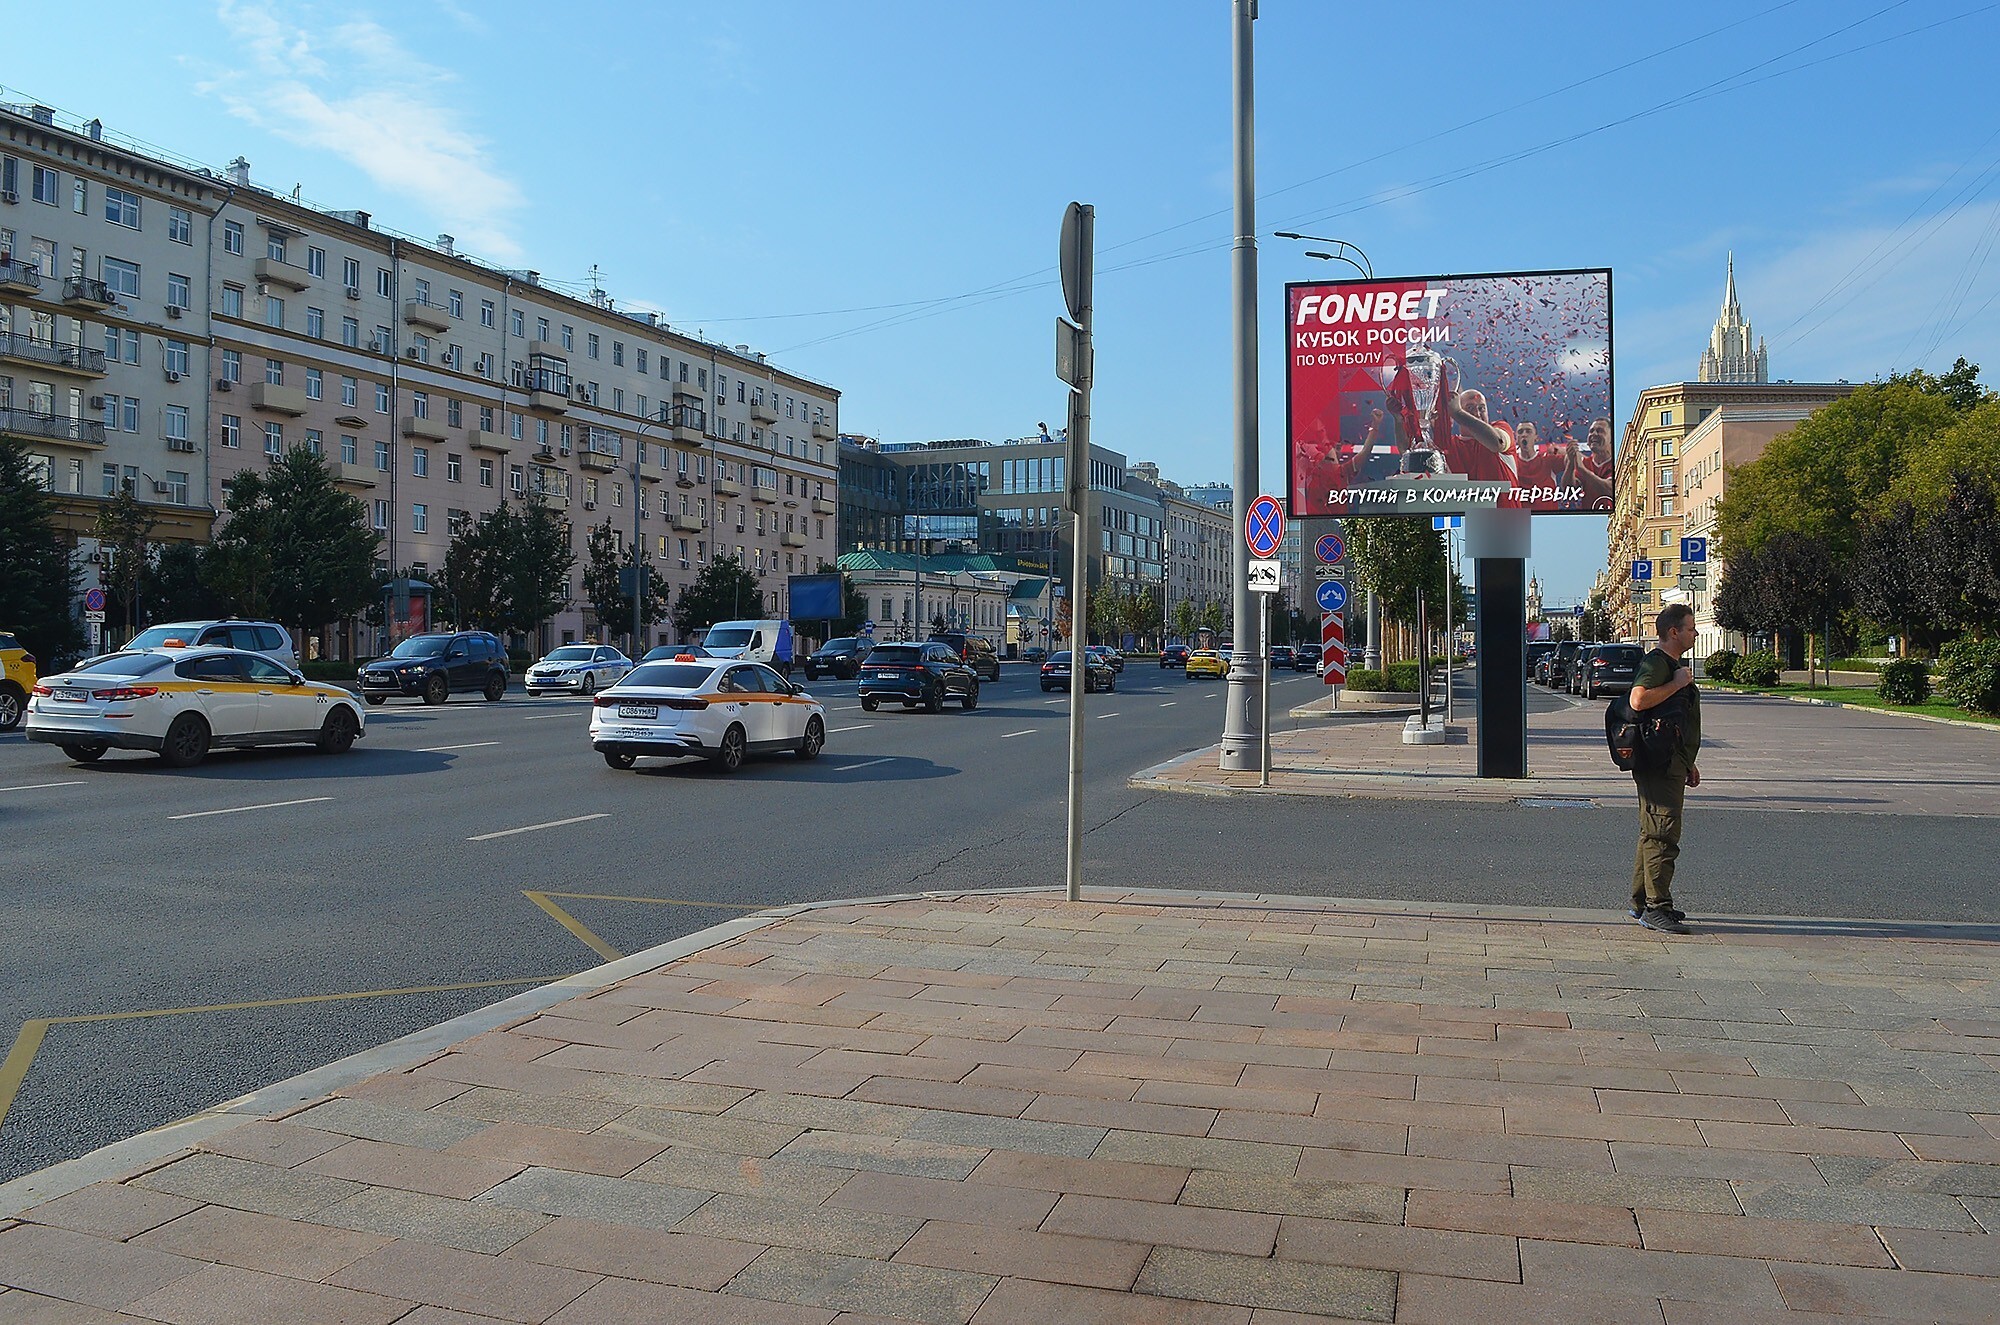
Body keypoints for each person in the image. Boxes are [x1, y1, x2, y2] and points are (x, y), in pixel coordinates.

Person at [1625, 602, 1702, 934]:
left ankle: (1642, 902)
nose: (1695, 633)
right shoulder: (1658, 663)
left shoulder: (1672, 664)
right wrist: (1677, 682)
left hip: (1671, 761)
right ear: (1674, 632)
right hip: (1659, 763)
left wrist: (1688, 761)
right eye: (1690, 628)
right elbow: (1638, 700)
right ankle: (1657, 907)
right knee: (1662, 835)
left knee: (1652, 833)